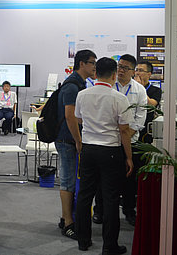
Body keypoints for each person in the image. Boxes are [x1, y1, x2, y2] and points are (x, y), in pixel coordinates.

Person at [75, 57, 134, 255]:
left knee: (85, 195)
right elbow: (124, 130)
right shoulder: (119, 98)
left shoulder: (82, 95)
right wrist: (129, 157)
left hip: (88, 150)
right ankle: (109, 245)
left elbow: (79, 119)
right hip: (110, 151)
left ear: (96, 73)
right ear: (114, 75)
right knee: (110, 198)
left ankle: (83, 240)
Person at [55, 49, 96, 241]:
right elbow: (70, 116)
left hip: (72, 139)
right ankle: (68, 222)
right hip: (67, 140)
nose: (94, 67)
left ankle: (67, 217)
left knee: (71, 180)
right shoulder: (72, 86)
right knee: (68, 181)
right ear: (82, 64)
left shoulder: (80, 83)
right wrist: (79, 141)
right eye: (92, 63)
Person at [112, 54, 148, 226]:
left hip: (131, 142)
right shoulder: (110, 85)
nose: (121, 70)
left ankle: (129, 210)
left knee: (129, 180)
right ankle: (100, 210)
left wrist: (125, 135)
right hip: (110, 141)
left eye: (125, 68)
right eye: (119, 66)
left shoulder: (139, 90)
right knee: (107, 179)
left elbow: (140, 118)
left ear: (133, 71)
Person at [134, 60, 162, 144]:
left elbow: (151, 104)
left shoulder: (156, 90)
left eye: (141, 70)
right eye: (136, 70)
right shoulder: (131, 88)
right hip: (131, 125)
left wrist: (140, 87)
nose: (137, 73)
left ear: (149, 74)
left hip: (145, 129)